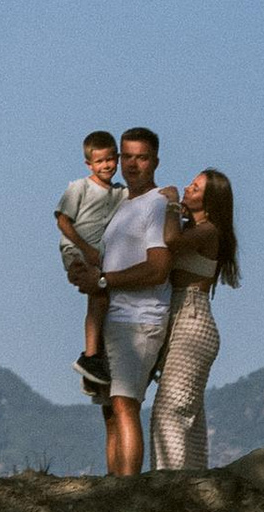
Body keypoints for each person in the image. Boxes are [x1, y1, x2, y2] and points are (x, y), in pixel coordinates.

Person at [95, 126, 176, 478]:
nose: (132, 164)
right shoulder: (122, 205)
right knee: (110, 409)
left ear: (155, 161)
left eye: (141, 158)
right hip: (115, 317)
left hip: (140, 318)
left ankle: (129, 487)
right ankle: (114, 484)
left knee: (125, 403)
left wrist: (105, 280)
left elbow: (158, 268)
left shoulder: (156, 204)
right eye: (126, 156)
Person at [149, 167, 239, 471]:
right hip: (184, 317)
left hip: (192, 319)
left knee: (170, 411)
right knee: (188, 412)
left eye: (196, 188)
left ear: (210, 202)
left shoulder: (209, 231)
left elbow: (171, 241)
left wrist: (173, 204)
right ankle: (191, 480)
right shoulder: (196, 229)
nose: (188, 188)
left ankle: (168, 481)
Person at [54, 131, 122, 401]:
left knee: (104, 300)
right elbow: (63, 220)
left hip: (100, 257)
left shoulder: (120, 193)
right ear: (89, 164)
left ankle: (94, 368)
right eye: (100, 161)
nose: (106, 165)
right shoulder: (80, 188)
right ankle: (90, 357)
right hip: (78, 251)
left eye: (110, 159)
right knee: (98, 292)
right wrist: (85, 249)